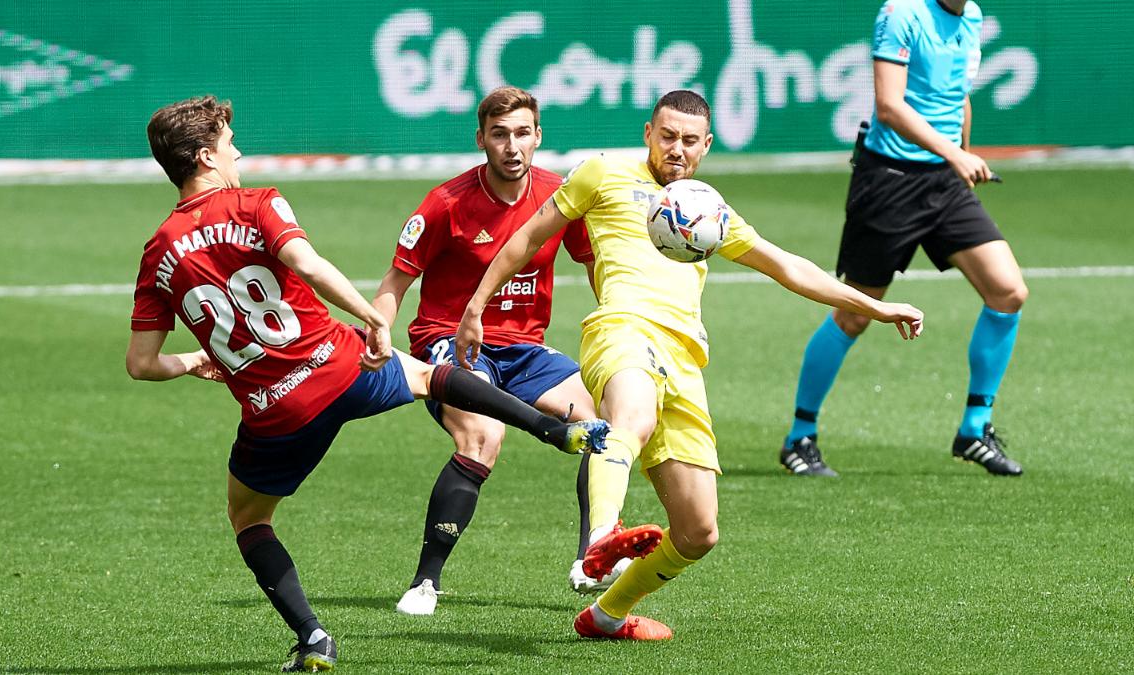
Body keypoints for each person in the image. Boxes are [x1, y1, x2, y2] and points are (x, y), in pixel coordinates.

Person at [125, 95, 609, 671]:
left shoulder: (157, 253)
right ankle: (550, 431)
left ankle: (312, 637)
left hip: (274, 411)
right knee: (433, 377)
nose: (238, 151)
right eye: (229, 142)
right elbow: (308, 265)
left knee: (249, 519)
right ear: (205, 155)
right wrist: (374, 317)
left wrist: (190, 362)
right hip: (340, 364)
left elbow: (141, 363)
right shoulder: (257, 204)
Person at [454, 90, 925, 640]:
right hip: (621, 330)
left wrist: (876, 305)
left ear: (706, 146)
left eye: (689, 141)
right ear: (649, 131)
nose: (676, 149)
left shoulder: (706, 207)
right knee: (629, 421)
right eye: (668, 135)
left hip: (684, 359)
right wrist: (475, 307)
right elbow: (527, 236)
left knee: (698, 531)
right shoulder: (601, 174)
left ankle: (605, 615)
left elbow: (788, 267)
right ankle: (601, 536)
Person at [372, 86, 619, 616]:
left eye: (523, 133)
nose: (512, 146)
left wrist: (622, 320)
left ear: (538, 137)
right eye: (500, 134)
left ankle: (591, 559)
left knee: (606, 426)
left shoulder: (560, 197)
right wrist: (379, 334)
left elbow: (597, 265)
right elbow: (395, 282)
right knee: (484, 434)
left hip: (525, 350)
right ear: (481, 138)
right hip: (448, 343)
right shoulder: (446, 204)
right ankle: (424, 582)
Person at [778, 0, 1027, 478]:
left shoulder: (970, 16)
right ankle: (799, 438)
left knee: (1008, 291)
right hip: (889, 183)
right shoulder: (901, 13)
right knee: (853, 316)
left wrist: (963, 157)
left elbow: (959, 95)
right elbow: (890, 107)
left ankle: (975, 429)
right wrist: (955, 153)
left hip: (945, 183)